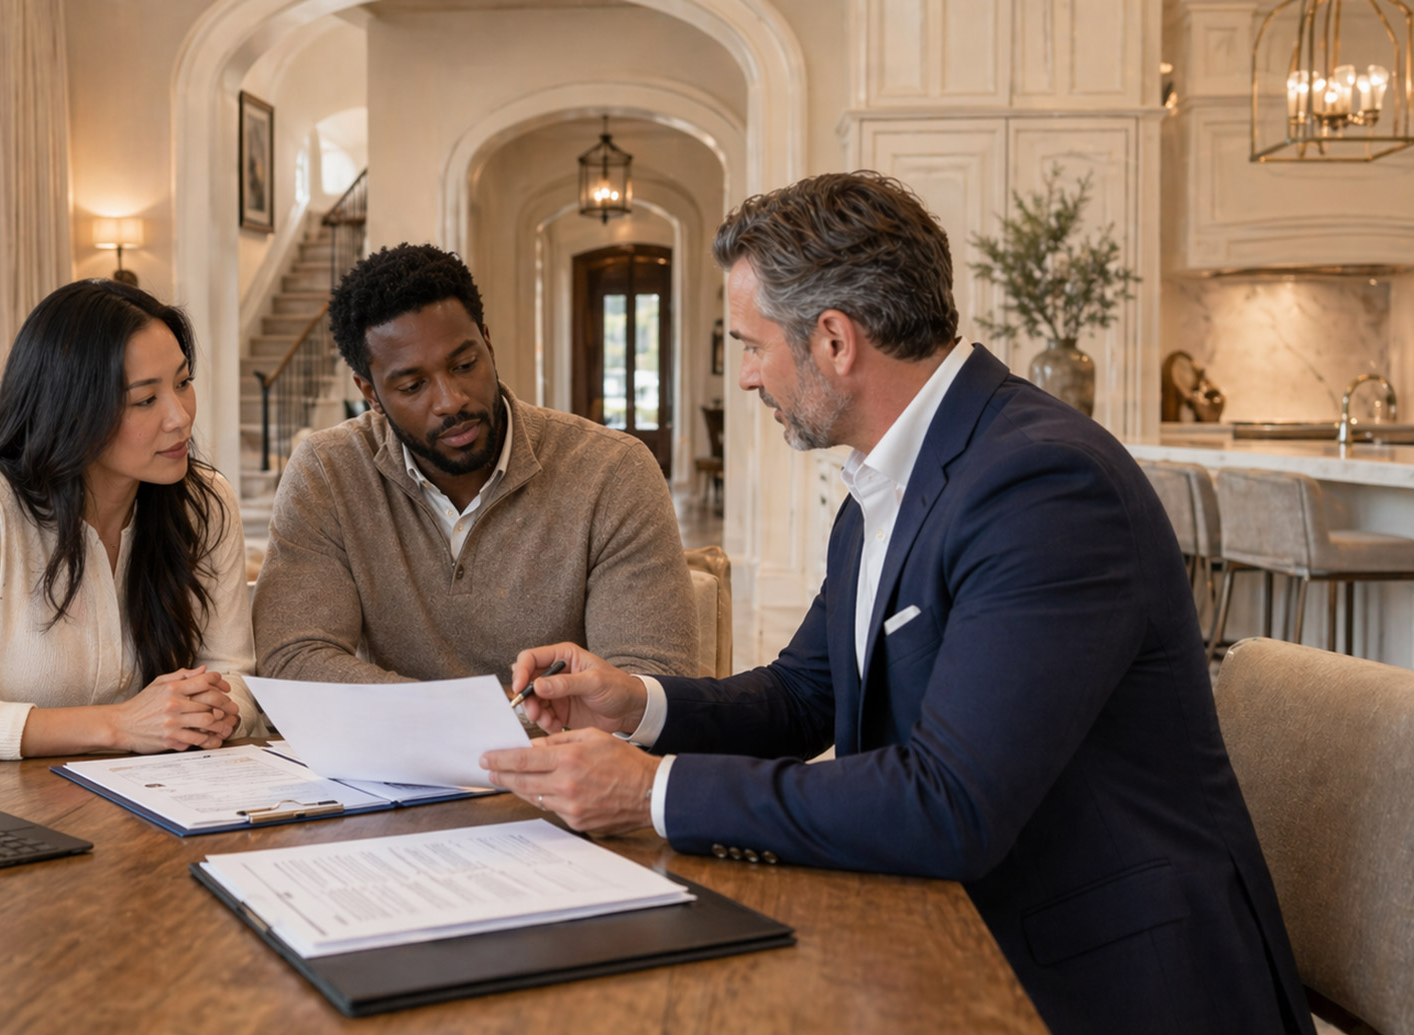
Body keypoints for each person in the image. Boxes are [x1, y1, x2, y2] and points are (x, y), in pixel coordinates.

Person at [481, 173, 1313, 1035]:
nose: (749, 377)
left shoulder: (1045, 487)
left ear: (835, 340)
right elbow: (806, 693)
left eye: (752, 344)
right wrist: (639, 703)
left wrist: (652, 792)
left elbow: (949, 804)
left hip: (1104, 978)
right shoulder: (888, 481)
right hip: (952, 929)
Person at [252, 243, 695, 686]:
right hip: (399, 753)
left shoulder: (612, 471)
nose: (450, 401)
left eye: (465, 365)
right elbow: (294, 658)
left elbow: (651, 682)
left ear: (488, 343)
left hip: (562, 754)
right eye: (412, 386)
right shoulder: (328, 473)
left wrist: (463, 723)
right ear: (370, 394)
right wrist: (465, 720)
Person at [0, 279, 262, 761]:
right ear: (73, 410)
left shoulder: (205, 504)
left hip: (161, 804)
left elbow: (236, 677)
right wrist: (120, 725)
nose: (180, 417)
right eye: (145, 400)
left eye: (183, 383)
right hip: (10, 813)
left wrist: (214, 710)